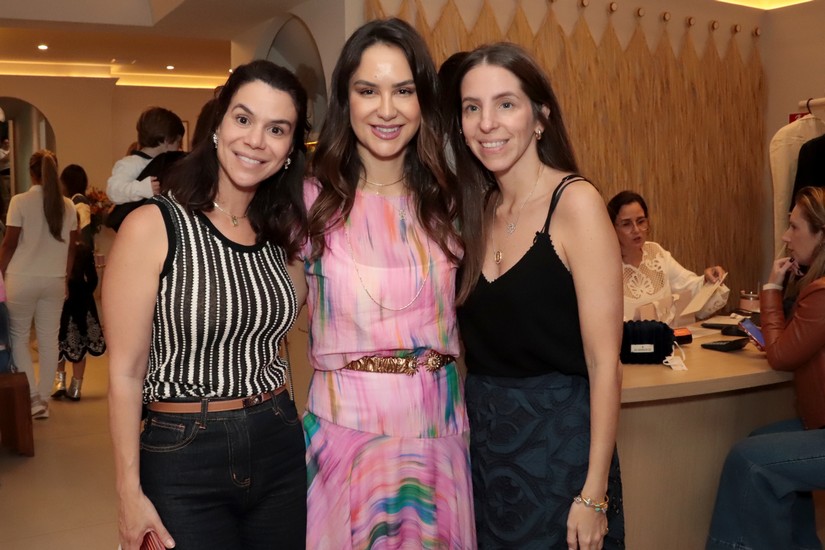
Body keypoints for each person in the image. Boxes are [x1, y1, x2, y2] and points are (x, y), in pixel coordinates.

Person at [104, 60, 309, 550]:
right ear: (218, 124)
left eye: (276, 129)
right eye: (243, 119)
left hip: (278, 438)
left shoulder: (281, 233)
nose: (256, 140)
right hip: (183, 452)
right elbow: (125, 372)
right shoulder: (154, 226)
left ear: (289, 150)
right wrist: (128, 493)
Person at [301, 18, 474, 548]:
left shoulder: (451, 202)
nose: (386, 109)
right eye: (367, 90)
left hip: (438, 431)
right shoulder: (309, 202)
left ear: (423, 101)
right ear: (345, 100)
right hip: (344, 436)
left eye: (403, 91)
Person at [449, 43, 625, 549]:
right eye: (472, 107)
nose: (487, 123)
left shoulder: (576, 204)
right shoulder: (474, 211)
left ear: (540, 117)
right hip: (487, 452)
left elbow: (604, 364)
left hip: (561, 451)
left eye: (506, 104)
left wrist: (594, 494)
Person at [706, 186, 825, 550]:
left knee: (749, 460)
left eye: (794, 227)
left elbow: (781, 356)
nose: (786, 237)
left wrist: (772, 288)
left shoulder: (822, 293)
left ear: (821, 235)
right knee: (759, 442)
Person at [0, 150, 77, 419]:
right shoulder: (68, 206)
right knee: (48, 340)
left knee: (19, 338)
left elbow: (9, 244)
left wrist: (0, 272)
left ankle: (32, 398)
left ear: (31, 172)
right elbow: (72, 249)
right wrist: (65, 278)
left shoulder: (20, 202)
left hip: (21, 278)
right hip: (54, 279)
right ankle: (44, 398)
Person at [607, 190, 729, 324]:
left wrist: (707, 280)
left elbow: (688, 288)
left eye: (641, 222)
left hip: (668, 337)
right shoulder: (605, 266)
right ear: (612, 228)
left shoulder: (656, 253)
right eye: (626, 224)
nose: (636, 230)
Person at [50, 164, 106, 401]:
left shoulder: (77, 202)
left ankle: (71, 384)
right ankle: (65, 383)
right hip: (74, 278)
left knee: (72, 332)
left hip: (74, 278)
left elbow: (82, 239)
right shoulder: (70, 202)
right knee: (63, 333)